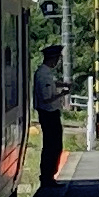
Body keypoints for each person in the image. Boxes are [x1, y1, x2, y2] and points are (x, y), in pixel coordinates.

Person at [32, 45, 68, 186]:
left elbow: (51, 85)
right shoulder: (44, 75)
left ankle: (48, 176)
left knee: (52, 145)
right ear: (53, 59)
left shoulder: (44, 73)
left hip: (48, 113)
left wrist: (62, 84)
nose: (58, 62)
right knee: (53, 145)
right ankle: (48, 176)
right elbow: (46, 97)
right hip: (49, 113)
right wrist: (62, 94)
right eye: (58, 59)